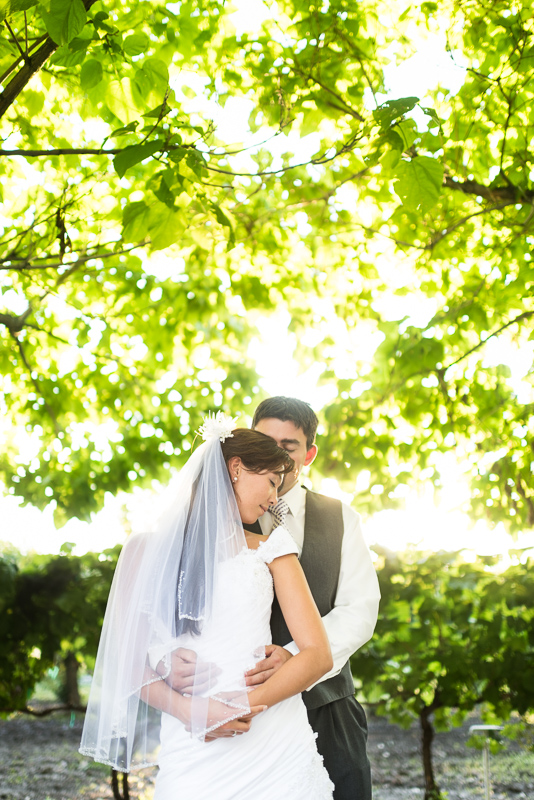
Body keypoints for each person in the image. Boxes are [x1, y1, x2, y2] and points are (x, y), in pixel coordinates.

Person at [80, 413, 335, 799]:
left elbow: (317, 654)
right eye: (270, 481)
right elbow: (127, 662)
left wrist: (240, 706)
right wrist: (190, 712)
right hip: (191, 750)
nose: (274, 497)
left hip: (274, 744)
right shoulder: (142, 552)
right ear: (236, 468)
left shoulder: (274, 549)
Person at [247, 396, 381, 800]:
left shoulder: (341, 517)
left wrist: (296, 657)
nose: (273, 454)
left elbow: (359, 609)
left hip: (328, 705)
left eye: (286, 447)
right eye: (263, 441)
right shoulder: (221, 516)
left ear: (308, 453)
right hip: (246, 707)